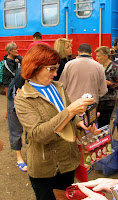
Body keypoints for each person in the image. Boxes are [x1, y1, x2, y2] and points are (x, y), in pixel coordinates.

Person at [14, 44, 97, 200]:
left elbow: (70, 119)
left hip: (68, 161)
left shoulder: (58, 87)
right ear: (35, 67)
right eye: (51, 69)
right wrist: (70, 110)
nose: (55, 73)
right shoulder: (23, 98)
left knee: (67, 197)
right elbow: (39, 134)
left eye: (56, 68)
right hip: (45, 167)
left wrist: (80, 123)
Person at [7, 67, 27, 172]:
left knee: (32, 127)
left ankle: (33, 153)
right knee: (16, 128)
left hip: (30, 99)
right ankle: (19, 157)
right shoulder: (22, 72)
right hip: (15, 98)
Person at [95, 46, 118, 128]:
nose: (97, 58)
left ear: (106, 56)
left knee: (104, 123)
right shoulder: (97, 67)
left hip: (109, 100)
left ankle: (105, 139)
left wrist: (110, 84)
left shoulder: (115, 68)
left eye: (99, 56)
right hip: (98, 99)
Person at [3, 41, 22, 117]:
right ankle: (9, 114)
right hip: (9, 84)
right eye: (14, 49)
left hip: (14, 83)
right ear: (10, 51)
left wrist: (19, 58)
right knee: (10, 99)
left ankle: (11, 113)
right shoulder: (7, 62)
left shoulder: (15, 58)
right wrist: (18, 64)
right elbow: (15, 73)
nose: (16, 51)